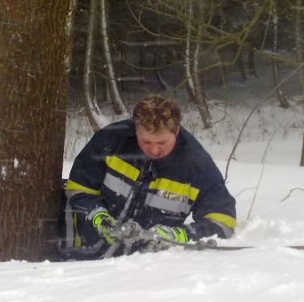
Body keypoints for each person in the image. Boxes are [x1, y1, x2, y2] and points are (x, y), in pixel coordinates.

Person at [60, 94, 236, 259]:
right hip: (79, 253)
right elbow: (78, 189)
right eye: (146, 141)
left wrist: (178, 234)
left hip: (143, 269)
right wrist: (100, 219)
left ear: (176, 132)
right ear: (136, 128)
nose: (154, 150)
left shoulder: (196, 165)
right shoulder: (111, 140)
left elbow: (222, 221)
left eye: (162, 142)